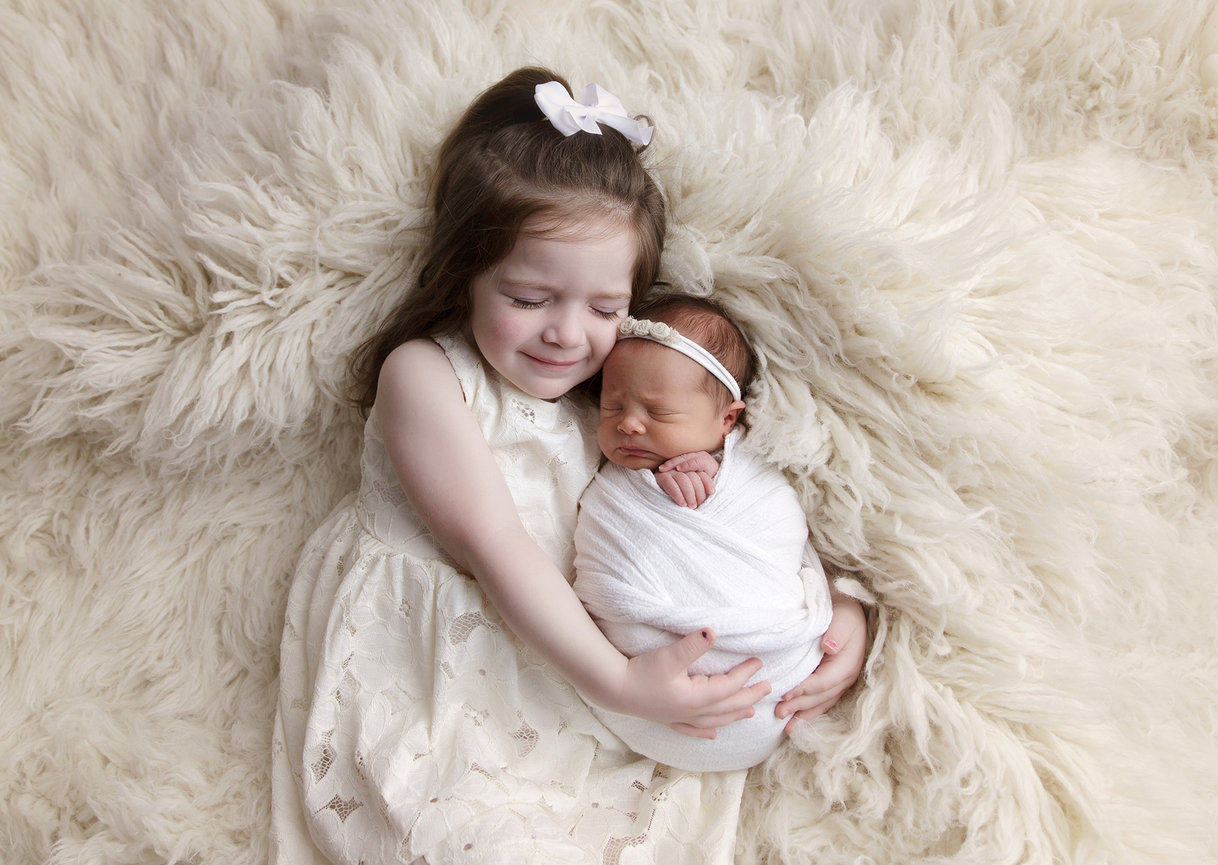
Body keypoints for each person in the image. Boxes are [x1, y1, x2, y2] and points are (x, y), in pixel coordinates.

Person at [271, 66, 867, 865]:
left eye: (604, 308)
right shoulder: (425, 375)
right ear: (464, 274)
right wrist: (622, 684)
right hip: (448, 663)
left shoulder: (618, 400)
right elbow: (497, 545)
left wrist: (833, 616)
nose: (566, 334)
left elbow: (738, 516)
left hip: (579, 666)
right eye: (527, 297)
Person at [574, 295, 836, 772]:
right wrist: (657, 486)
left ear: (727, 421)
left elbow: (787, 536)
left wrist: (714, 466)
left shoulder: (752, 472)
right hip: (644, 693)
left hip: (772, 686)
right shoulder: (612, 489)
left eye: (659, 413)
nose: (628, 423)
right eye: (612, 406)